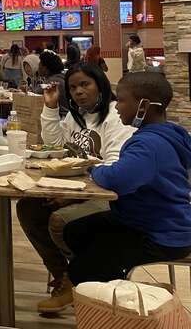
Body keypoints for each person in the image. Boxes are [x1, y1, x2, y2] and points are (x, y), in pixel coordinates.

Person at [15, 63, 134, 313]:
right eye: (73, 87)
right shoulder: (76, 115)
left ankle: (83, 278)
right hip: (75, 189)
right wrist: (49, 106)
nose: (79, 91)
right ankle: (64, 279)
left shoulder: (116, 116)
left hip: (108, 195)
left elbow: (114, 167)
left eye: (84, 84)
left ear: (100, 84)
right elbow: (56, 145)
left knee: (60, 220)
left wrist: (69, 197)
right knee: (29, 208)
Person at [64, 72, 191, 288]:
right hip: (144, 221)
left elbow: (116, 179)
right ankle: (112, 281)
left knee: (82, 268)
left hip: (160, 234)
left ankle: (97, 285)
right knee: (75, 231)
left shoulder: (148, 144)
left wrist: (95, 168)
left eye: (121, 100)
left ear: (144, 105)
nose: (116, 106)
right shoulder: (165, 134)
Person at [32, 50, 69, 117]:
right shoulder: (62, 78)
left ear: (46, 68)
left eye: (40, 64)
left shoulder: (52, 82)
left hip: (59, 119)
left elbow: (34, 94)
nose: (38, 67)